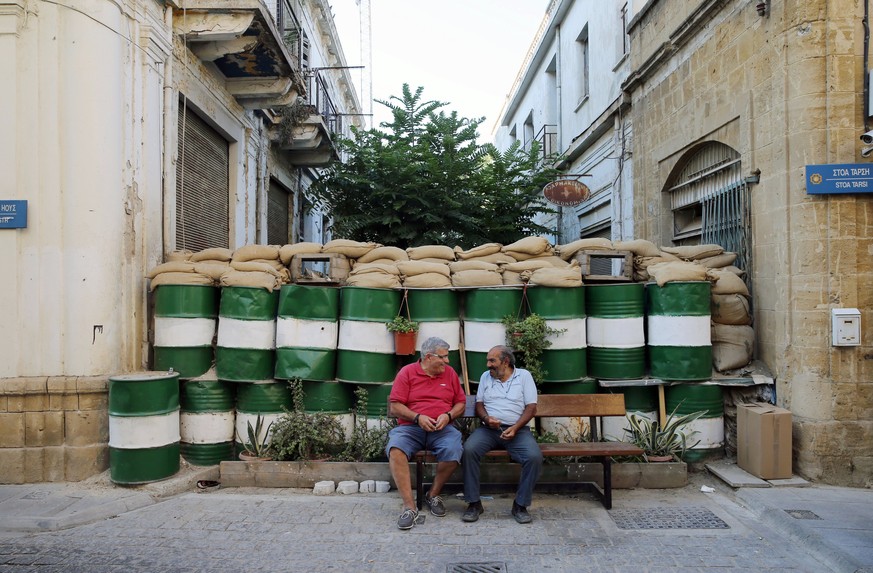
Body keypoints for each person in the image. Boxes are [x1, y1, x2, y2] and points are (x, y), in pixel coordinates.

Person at [386, 336, 466, 530]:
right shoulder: (407, 373)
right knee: (396, 449)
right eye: (443, 357)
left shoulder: (449, 374)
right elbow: (395, 406)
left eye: (447, 357)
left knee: (454, 448)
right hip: (411, 427)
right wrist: (417, 417)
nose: (447, 361)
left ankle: (432, 495)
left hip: (442, 428)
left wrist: (448, 416)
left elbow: (461, 403)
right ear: (429, 357)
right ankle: (409, 507)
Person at [461, 345, 543, 524]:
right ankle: (474, 503)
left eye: (492, 361)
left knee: (534, 457)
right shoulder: (486, 377)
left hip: (518, 430)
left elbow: (531, 408)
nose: (488, 365)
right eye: (488, 361)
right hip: (489, 430)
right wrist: (486, 418)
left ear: (505, 362)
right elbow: (479, 404)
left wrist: (515, 427)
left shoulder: (524, 376)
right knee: (469, 450)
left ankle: (520, 505)